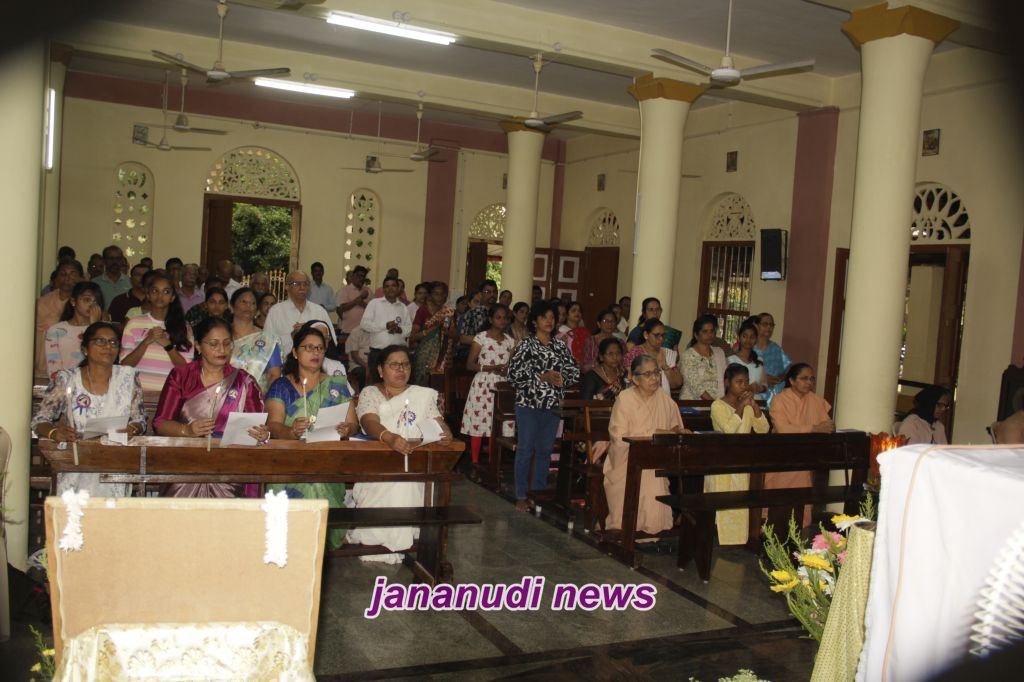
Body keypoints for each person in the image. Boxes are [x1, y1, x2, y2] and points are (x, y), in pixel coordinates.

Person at [354, 345, 453, 562]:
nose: (401, 369)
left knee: (409, 478)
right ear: (380, 370)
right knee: (399, 479)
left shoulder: (421, 395)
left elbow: (438, 424)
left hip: (414, 463)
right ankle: (383, 537)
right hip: (379, 461)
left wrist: (445, 433)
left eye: (406, 364)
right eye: (394, 365)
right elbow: (369, 422)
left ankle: (409, 535)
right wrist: (390, 438)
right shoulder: (371, 393)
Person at [153, 317, 268, 497]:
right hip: (185, 465)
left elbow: (257, 426)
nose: (222, 349)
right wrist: (187, 430)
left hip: (228, 469)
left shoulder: (244, 382)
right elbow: (160, 423)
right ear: (198, 346)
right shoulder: (181, 376)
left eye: (227, 343)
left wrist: (262, 434)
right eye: (214, 344)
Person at [265, 326, 357, 549]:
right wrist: (292, 432)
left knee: (318, 480)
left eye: (320, 348)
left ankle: (318, 544)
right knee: (310, 483)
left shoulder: (336, 384)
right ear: (295, 352)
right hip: (289, 459)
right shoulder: (281, 386)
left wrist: (347, 429)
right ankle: (297, 543)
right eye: (308, 348)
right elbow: (273, 425)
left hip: (327, 457)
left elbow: (354, 424)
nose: (315, 352)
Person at [33, 322, 145, 497]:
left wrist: (133, 428)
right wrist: (55, 432)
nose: (108, 346)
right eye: (100, 341)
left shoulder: (128, 378)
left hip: (115, 461)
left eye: (113, 342)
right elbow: (40, 421)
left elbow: (140, 420)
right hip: (76, 461)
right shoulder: (67, 379)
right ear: (85, 349)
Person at [506, 301, 580, 511]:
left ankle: (537, 493)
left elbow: (574, 371)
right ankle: (521, 495)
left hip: (552, 405)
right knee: (526, 448)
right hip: (528, 404)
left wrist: (562, 378)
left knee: (545, 450)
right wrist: (542, 377)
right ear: (534, 321)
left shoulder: (559, 346)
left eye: (552, 317)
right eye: (544, 317)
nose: (549, 321)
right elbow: (513, 375)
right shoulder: (526, 345)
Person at [604, 354, 688, 535]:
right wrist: (654, 434)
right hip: (627, 461)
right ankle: (628, 531)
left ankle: (654, 535)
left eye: (656, 373)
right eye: (648, 374)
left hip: (657, 461)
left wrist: (680, 431)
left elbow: (675, 426)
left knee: (656, 479)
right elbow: (618, 437)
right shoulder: (624, 399)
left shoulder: (665, 399)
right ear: (635, 379)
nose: (654, 378)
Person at [709, 363, 770, 546]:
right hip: (722, 461)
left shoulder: (748, 406)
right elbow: (729, 430)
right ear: (727, 382)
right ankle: (720, 539)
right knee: (724, 503)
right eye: (739, 382)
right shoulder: (717, 405)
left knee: (740, 502)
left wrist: (755, 407)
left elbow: (763, 429)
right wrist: (741, 407)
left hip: (743, 460)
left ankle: (740, 540)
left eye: (746, 382)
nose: (744, 386)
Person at [770, 363, 834, 527]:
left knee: (803, 494)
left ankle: (800, 527)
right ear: (792, 381)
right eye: (804, 378)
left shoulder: (815, 400)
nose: (809, 382)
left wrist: (823, 428)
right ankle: (772, 528)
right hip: (780, 456)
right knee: (778, 496)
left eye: (812, 379)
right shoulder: (779, 400)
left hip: (805, 457)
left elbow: (828, 425)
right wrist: (813, 428)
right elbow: (783, 429)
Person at [120, 273, 193, 392]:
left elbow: (186, 368)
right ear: (148, 295)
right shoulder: (134, 323)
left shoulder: (184, 327)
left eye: (166, 292)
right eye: (155, 291)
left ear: (172, 297)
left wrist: (168, 345)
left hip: (170, 394)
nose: (160, 296)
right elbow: (125, 365)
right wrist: (146, 341)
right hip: (137, 393)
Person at [460, 304, 514, 465]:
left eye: (505, 318)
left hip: (502, 384)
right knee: (480, 421)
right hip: (483, 384)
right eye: (498, 317)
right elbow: (470, 364)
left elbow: (512, 365)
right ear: (490, 319)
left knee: (496, 423)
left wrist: (507, 371)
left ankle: (493, 461)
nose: (502, 320)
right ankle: (475, 461)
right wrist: (491, 368)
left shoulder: (510, 341)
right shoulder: (481, 338)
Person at [264, 270, 335, 356]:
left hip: (315, 361)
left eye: (305, 284)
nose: (302, 287)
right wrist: (292, 337)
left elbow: (332, 341)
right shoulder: (276, 311)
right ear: (287, 286)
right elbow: (267, 345)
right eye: (296, 283)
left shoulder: (319, 311)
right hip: (284, 362)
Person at [44, 281, 104, 379]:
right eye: (87, 300)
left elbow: (101, 359)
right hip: (65, 383)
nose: (92, 305)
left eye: (96, 302)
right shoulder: (56, 330)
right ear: (73, 301)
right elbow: (53, 367)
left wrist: (95, 326)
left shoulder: (103, 330)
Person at [230, 287, 283, 393]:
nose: (248, 306)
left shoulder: (268, 340)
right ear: (232, 306)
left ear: (257, 310)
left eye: (253, 303)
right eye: (243, 302)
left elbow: (274, 375)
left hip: (257, 398)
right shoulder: (222, 336)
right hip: (224, 396)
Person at [360, 275, 412, 383]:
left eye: (393, 286)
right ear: (383, 289)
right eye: (387, 286)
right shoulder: (374, 303)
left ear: (398, 288)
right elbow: (364, 324)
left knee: (398, 383)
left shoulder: (403, 307)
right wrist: (385, 326)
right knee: (378, 385)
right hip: (378, 353)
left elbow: (409, 328)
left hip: (398, 354)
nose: (390, 289)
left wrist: (400, 330)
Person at [35, 260, 83, 375]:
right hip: (44, 361)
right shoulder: (42, 302)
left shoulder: (85, 304)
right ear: (56, 278)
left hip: (74, 362)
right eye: (63, 274)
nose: (67, 278)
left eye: (72, 274)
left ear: (81, 278)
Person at [409, 281, 456, 385]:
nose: (440, 297)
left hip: (443, 355)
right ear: (430, 295)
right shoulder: (423, 310)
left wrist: (446, 331)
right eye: (436, 294)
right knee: (422, 385)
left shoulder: (448, 312)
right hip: (424, 356)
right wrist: (430, 329)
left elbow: (455, 336)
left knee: (439, 386)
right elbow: (413, 337)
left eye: (443, 294)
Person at [623, 319, 682, 394]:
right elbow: (631, 382)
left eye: (663, 335)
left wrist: (665, 366)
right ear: (646, 335)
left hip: (663, 398)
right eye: (657, 335)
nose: (661, 339)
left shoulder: (668, 353)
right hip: (641, 398)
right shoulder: (635, 354)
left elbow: (676, 384)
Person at [680, 315, 728, 400]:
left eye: (712, 331)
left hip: (716, 403)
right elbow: (696, 386)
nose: (709, 335)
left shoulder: (719, 352)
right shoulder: (688, 355)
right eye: (705, 331)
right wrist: (713, 404)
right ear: (696, 335)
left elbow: (726, 378)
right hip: (692, 403)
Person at [752, 313, 792, 403]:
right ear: (756, 326)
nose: (769, 327)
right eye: (765, 324)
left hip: (776, 397)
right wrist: (763, 379)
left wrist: (779, 378)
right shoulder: (750, 348)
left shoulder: (776, 349)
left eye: (771, 325)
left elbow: (789, 368)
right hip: (755, 396)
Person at [727, 321, 768, 399]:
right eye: (744, 336)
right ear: (739, 338)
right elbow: (726, 385)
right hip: (737, 402)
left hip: (756, 402)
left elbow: (765, 385)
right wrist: (747, 387)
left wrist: (759, 388)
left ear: (756, 340)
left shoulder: (759, 361)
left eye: (752, 337)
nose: (748, 340)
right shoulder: (730, 360)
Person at [582, 308, 626, 373]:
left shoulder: (620, 342)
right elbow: (585, 366)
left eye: (612, 321)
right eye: (605, 321)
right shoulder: (591, 341)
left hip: (615, 374)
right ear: (599, 324)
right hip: (594, 374)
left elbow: (624, 362)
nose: (609, 324)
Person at [107, 262, 150, 326]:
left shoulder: (156, 300)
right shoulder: (118, 301)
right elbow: (113, 325)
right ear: (131, 279)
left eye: (146, 275)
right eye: (138, 275)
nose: (142, 278)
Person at [458, 279, 498, 344]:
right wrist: (487, 339)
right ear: (480, 294)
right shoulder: (471, 313)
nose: (492, 295)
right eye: (488, 292)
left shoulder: (502, 313)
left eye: (494, 292)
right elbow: (463, 339)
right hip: (476, 349)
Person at [94, 245, 131, 310]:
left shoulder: (130, 282)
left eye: (118, 259)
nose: (115, 262)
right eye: (111, 258)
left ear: (122, 260)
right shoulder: (95, 283)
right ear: (104, 260)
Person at [337, 266, 371, 335]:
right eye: (359, 276)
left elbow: (373, 309)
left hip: (365, 332)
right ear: (353, 276)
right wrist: (360, 298)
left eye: (363, 276)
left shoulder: (369, 291)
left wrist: (362, 303)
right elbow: (342, 308)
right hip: (348, 331)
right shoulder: (344, 290)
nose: (361, 278)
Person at [557, 301, 592, 367]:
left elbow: (590, 350)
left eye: (579, 311)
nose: (577, 313)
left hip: (584, 367)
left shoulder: (585, 332)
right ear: (567, 315)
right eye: (573, 311)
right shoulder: (561, 331)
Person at [345, 324, 371, 390]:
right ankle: (361, 392)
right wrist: (367, 366)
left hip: (372, 362)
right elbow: (354, 356)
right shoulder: (356, 332)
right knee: (362, 371)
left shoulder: (377, 331)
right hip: (357, 364)